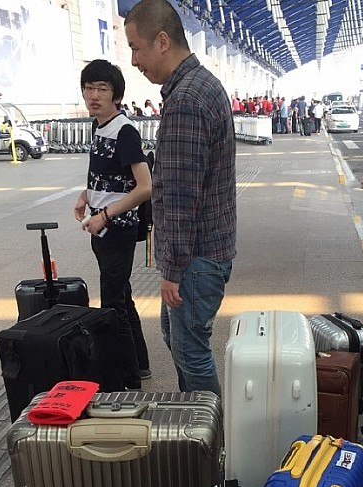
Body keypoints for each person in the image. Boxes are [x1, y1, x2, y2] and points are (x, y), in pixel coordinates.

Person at [124, 0, 236, 396]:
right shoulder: (199, 86)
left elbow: (180, 196)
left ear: (162, 41)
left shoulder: (186, 99)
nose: (134, 60)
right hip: (203, 253)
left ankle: (212, 425)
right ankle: (197, 419)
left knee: (190, 351)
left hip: (195, 259)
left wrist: (171, 270)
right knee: (178, 340)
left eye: (136, 48)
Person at [73, 59, 152, 390]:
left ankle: (127, 381)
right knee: (122, 296)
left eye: (102, 89)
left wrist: (105, 215)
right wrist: (86, 196)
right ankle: (140, 365)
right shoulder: (99, 126)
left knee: (112, 305)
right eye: (89, 88)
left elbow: (145, 187)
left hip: (117, 229)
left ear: (116, 95)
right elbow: (109, 177)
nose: (94, 95)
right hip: (103, 228)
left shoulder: (124, 131)